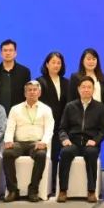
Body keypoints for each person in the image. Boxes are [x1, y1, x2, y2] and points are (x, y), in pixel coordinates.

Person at [57, 77, 104, 202]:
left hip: (90, 142)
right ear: (78, 89)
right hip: (73, 142)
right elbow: (62, 128)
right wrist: (64, 139)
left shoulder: (100, 107)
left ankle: (91, 191)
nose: (86, 90)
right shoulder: (70, 106)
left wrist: (95, 140)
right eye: (83, 87)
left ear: (93, 89)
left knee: (91, 153)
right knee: (65, 152)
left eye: (89, 87)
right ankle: (63, 190)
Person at [2, 80, 54, 203]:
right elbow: (10, 127)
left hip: (36, 143)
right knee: (7, 153)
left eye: (35, 90)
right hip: (19, 143)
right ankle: (13, 190)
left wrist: (44, 142)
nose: (32, 92)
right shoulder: (15, 109)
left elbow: (49, 128)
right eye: (29, 90)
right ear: (25, 93)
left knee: (41, 155)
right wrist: (8, 140)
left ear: (39, 93)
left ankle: (33, 190)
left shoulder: (46, 109)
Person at [37, 51, 69, 193]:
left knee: (59, 154)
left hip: (62, 125)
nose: (56, 65)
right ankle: (46, 184)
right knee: (50, 155)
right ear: (47, 64)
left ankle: (57, 184)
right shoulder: (39, 82)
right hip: (45, 125)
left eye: (59, 63)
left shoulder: (67, 82)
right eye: (53, 62)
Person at [0, 39, 31, 112]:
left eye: (10, 50)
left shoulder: (24, 72)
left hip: (18, 112)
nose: (8, 53)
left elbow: (27, 93)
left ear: (15, 53)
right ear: (1, 53)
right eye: (5, 50)